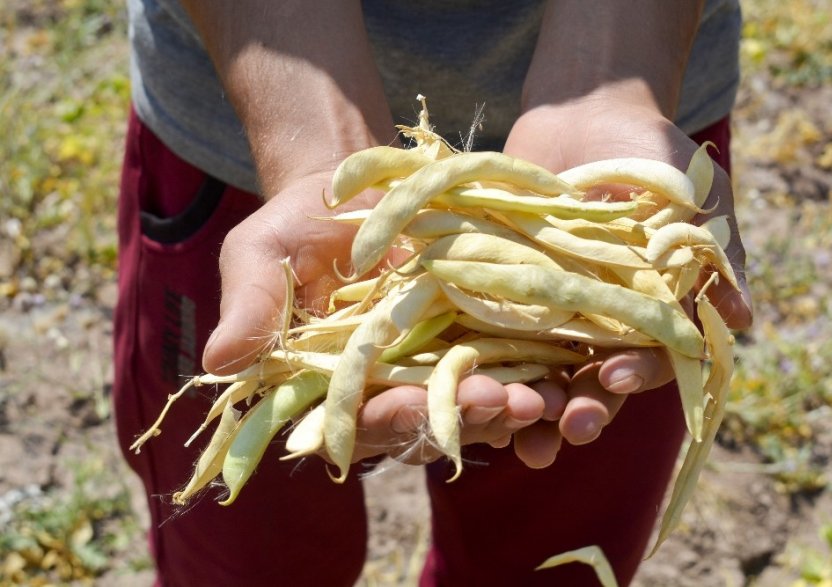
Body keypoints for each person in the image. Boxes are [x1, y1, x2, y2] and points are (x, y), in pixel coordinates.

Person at [112, 1, 753, 585]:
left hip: (631, 164)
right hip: (241, 123)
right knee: (250, 566)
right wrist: (315, 149)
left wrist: (609, 79)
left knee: (545, 565)